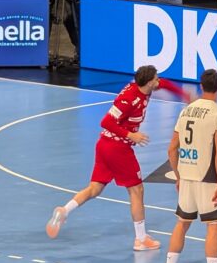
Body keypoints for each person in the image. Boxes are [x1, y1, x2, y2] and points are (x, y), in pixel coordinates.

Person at [46, 65, 188, 249]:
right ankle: (141, 239)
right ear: (148, 82)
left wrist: (183, 94)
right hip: (117, 148)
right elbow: (105, 121)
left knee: (95, 188)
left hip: (104, 146)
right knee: (137, 190)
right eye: (156, 78)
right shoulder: (129, 98)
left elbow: (165, 84)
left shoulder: (143, 87)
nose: (159, 81)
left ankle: (65, 210)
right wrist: (132, 136)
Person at [161, 68, 217, 263]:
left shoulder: (185, 111)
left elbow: (171, 148)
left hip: (186, 176)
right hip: (208, 178)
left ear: (201, 86)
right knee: (214, 227)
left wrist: (177, 175)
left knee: (182, 223)